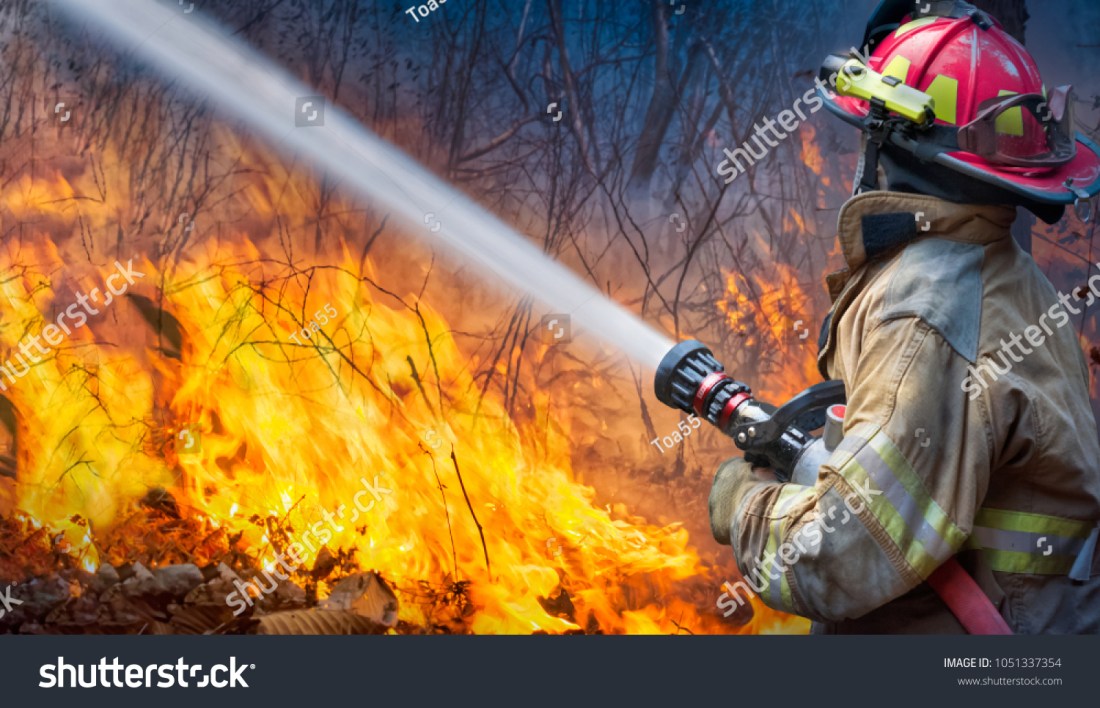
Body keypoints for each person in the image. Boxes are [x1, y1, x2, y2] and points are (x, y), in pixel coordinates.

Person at [707, 0, 1100, 633]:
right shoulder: (993, 267)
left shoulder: (928, 313)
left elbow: (837, 552)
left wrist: (741, 503)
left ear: (889, 143)